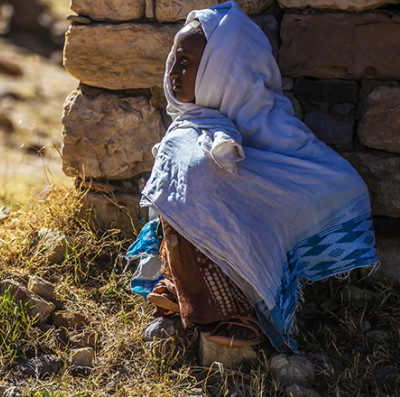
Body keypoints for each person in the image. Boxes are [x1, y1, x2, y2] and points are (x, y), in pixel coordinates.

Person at [129, 1, 379, 351]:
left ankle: (246, 308)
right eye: (175, 60)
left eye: (186, 63)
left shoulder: (274, 126)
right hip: (198, 252)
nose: (173, 71)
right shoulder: (189, 128)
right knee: (191, 168)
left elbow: (338, 185)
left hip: (249, 252)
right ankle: (195, 293)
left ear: (223, 70)